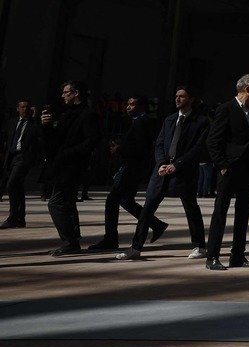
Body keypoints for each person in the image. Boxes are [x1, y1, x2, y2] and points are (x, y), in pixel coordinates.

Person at [119, 87, 208, 260]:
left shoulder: (201, 122)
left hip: (184, 171)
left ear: (191, 99)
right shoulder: (170, 120)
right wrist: (161, 163)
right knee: (148, 207)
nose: (178, 99)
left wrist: (178, 164)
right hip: (161, 171)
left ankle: (199, 246)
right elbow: (159, 143)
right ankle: (136, 247)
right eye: (176, 96)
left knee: (191, 207)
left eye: (182, 96)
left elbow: (198, 148)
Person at [205, 74, 249, 270]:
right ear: (248, 89)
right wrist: (222, 165)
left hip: (247, 168)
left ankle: (238, 255)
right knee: (220, 212)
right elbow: (213, 140)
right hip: (229, 168)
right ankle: (212, 256)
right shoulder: (226, 109)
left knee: (243, 213)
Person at [90, 96, 165, 251]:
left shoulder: (142, 123)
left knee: (112, 200)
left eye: (132, 104)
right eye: (127, 104)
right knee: (125, 200)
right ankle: (156, 224)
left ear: (142, 106)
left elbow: (140, 149)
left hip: (132, 168)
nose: (128, 107)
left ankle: (111, 239)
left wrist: (120, 149)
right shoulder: (137, 122)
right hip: (133, 167)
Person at [40, 81, 101, 255]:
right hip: (62, 165)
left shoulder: (88, 115)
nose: (62, 95)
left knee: (55, 203)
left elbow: (92, 141)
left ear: (76, 93)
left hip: (72, 167)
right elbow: (53, 143)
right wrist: (46, 127)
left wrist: (67, 153)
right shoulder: (66, 115)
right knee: (67, 202)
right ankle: (74, 238)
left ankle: (70, 241)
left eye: (66, 92)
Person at [2, 100, 39, 228]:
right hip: (11, 156)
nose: (25, 109)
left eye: (28, 107)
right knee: (18, 186)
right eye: (23, 107)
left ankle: (13, 217)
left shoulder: (34, 123)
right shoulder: (12, 122)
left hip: (23, 157)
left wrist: (36, 118)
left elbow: (39, 136)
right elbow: (6, 138)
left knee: (11, 184)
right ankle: (20, 219)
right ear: (17, 108)